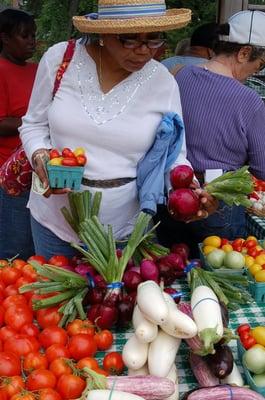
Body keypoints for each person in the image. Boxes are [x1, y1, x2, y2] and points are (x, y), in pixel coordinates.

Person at [19, 0, 217, 260]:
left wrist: (188, 191)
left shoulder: (162, 82)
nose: (144, 51)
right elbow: (33, 124)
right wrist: (40, 156)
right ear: (104, 33)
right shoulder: (60, 60)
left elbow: (174, 156)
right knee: (53, 299)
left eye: (154, 38)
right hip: (56, 224)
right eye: (130, 39)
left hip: (126, 229)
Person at [154, 10, 265, 257]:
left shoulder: (180, 75)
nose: (255, 72)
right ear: (244, 52)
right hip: (217, 201)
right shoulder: (250, 101)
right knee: (217, 277)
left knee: (171, 268)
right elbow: (261, 167)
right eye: (259, 65)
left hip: (173, 191)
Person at [0, 8, 37, 259]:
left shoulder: (36, 69)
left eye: (33, 35)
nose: (32, 41)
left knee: (34, 244)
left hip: (39, 169)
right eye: (25, 36)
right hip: (11, 173)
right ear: (5, 38)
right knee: (15, 247)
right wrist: (35, 122)